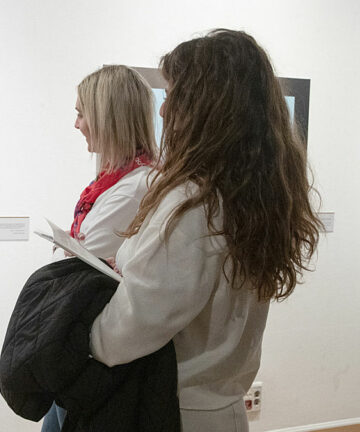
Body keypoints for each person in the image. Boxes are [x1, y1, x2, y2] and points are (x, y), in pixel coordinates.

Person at [89, 29, 322, 431]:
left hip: (171, 412)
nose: (162, 112)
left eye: (174, 93)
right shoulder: (250, 197)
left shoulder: (192, 204)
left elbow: (125, 332)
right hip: (222, 409)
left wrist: (78, 335)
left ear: (204, 105)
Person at [42, 65, 157, 431]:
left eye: (81, 113)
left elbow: (87, 266)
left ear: (107, 116)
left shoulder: (136, 186)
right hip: (89, 349)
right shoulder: (117, 181)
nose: (76, 124)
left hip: (99, 355)